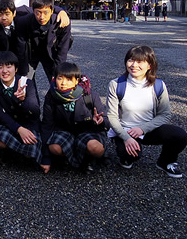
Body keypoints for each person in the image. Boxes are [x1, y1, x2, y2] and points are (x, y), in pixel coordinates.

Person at [107, 45, 187, 178]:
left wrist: (143, 129)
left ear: (150, 65)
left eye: (139, 62)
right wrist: (126, 138)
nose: (134, 65)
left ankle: (165, 161)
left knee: (180, 136)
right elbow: (112, 116)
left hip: (148, 129)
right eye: (131, 60)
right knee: (129, 156)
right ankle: (124, 154)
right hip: (125, 130)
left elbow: (165, 114)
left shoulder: (158, 85)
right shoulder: (116, 84)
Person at [0, 51, 48, 173]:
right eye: (0, 67)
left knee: (30, 151)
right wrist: (19, 129)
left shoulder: (26, 83)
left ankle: (23, 155)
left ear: (16, 68)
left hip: (28, 123)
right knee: (2, 140)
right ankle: (7, 154)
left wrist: (23, 101)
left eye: (9, 67)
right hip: (8, 123)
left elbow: (35, 112)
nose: (4, 71)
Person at [42, 62, 108, 173]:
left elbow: (106, 122)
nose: (63, 83)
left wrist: (100, 121)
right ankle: (66, 158)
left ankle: (88, 159)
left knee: (95, 147)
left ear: (76, 81)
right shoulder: (51, 96)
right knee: (54, 147)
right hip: (64, 131)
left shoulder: (89, 95)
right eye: (60, 78)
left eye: (69, 79)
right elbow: (47, 125)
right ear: (54, 79)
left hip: (87, 130)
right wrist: (46, 157)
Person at [15, 0, 72, 81]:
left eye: (46, 12)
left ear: (52, 11)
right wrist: (23, 72)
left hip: (51, 53)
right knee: (24, 81)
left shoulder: (62, 23)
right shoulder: (24, 21)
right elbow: (21, 48)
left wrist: (58, 72)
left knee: (57, 81)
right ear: (33, 11)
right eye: (38, 12)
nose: (42, 17)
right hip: (31, 52)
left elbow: (62, 50)